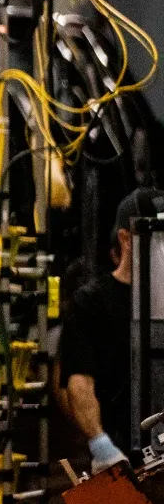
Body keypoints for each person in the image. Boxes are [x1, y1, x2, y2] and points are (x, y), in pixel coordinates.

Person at [61, 188, 164, 470]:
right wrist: (101, 446)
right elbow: (80, 383)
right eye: (158, 238)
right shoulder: (91, 303)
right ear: (126, 239)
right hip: (121, 455)